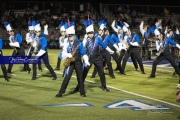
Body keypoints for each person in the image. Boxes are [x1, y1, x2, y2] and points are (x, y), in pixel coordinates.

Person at [70, 16, 114, 94]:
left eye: (91, 33)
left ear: (93, 33)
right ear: (87, 33)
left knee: (101, 73)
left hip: (98, 58)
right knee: (84, 74)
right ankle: (78, 87)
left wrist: (110, 51)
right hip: (89, 59)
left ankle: (104, 87)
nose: (90, 34)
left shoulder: (98, 39)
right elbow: (81, 47)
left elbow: (104, 45)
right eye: (89, 33)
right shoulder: (85, 40)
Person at [55, 19, 90, 97]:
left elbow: (83, 53)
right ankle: (61, 92)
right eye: (69, 36)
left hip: (78, 62)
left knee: (80, 78)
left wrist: (86, 60)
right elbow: (63, 54)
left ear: (74, 36)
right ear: (68, 36)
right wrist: (68, 55)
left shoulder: (79, 43)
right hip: (70, 63)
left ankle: (82, 92)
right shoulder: (66, 44)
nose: (70, 37)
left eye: (72, 35)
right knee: (67, 78)